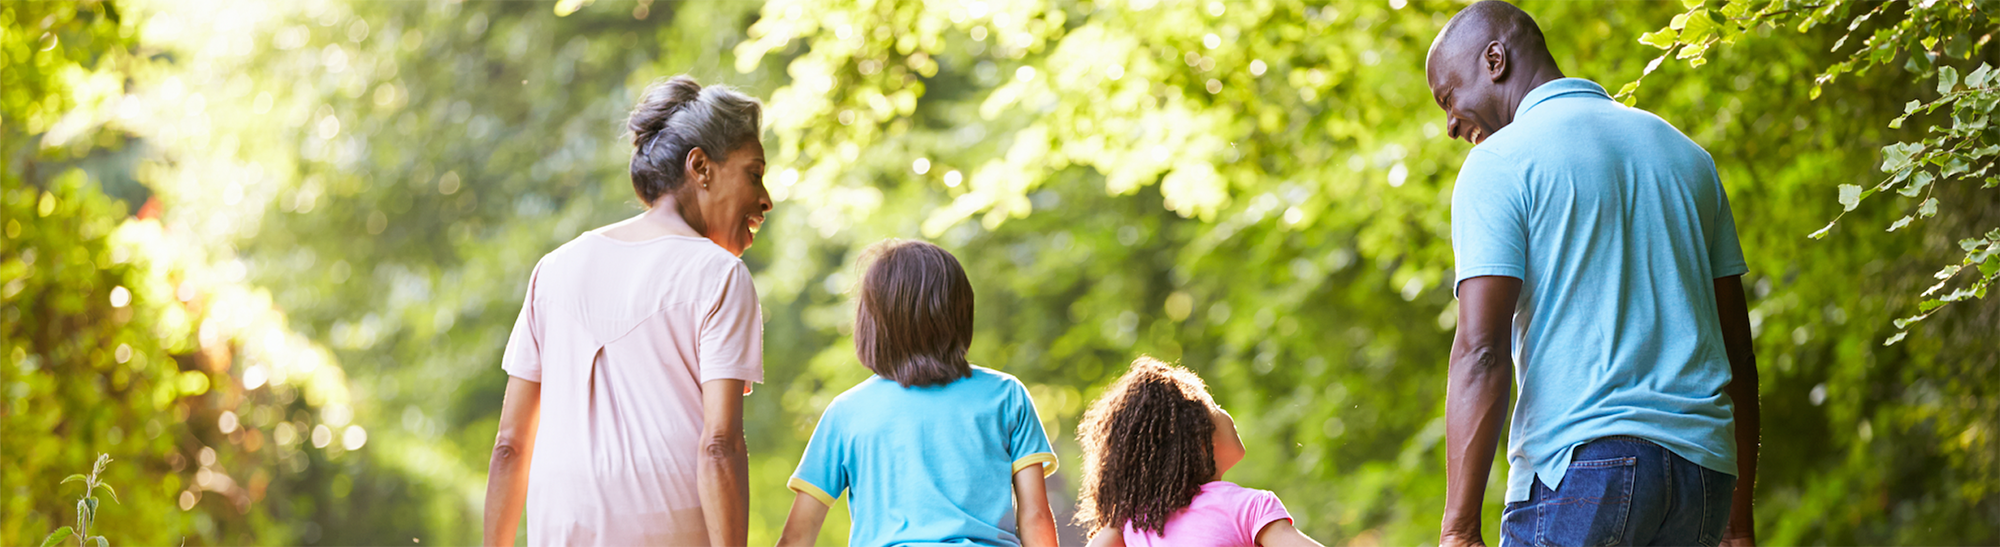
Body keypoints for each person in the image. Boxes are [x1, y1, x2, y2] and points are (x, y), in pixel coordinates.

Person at [1424, 2, 1761, 547]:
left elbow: (1481, 352)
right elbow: (1738, 356)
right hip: (1702, 480)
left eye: (1448, 97)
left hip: (1583, 474)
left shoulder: (1500, 164)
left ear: (1495, 59)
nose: (1450, 125)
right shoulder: (1687, 157)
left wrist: (1459, 531)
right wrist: (1738, 522)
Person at [481, 75, 774, 547]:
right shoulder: (718, 275)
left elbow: (510, 446)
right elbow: (719, 446)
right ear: (701, 167)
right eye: (754, 173)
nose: (766, 199)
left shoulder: (554, 269)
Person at [775, 239, 1061, 547]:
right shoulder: (1006, 396)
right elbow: (1035, 517)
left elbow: (798, 536)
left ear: (871, 323)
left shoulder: (846, 412)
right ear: (961, 313)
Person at [1075, 357, 1323, 547]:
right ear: (1197, 439)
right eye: (1214, 405)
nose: (1225, 412)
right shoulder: (1250, 507)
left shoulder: (1134, 524)